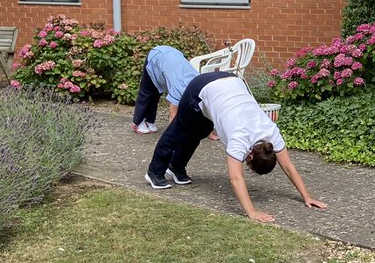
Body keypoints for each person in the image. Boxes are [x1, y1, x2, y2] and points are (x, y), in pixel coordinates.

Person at [144, 70, 326, 223]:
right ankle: (155, 172)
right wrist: (252, 212)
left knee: (201, 129)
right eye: (249, 165)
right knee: (179, 130)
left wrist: (306, 196)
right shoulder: (240, 139)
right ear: (251, 156)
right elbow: (235, 179)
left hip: (229, 82)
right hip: (201, 87)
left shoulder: (271, 133)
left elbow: (288, 167)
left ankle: (176, 167)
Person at [131, 45, 199, 133]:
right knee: (147, 91)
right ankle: (137, 122)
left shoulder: (199, 83)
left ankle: (149, 120)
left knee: (156, 93)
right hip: (156, 56)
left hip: (170, 57)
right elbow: (173, 115)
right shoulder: (179, 88)